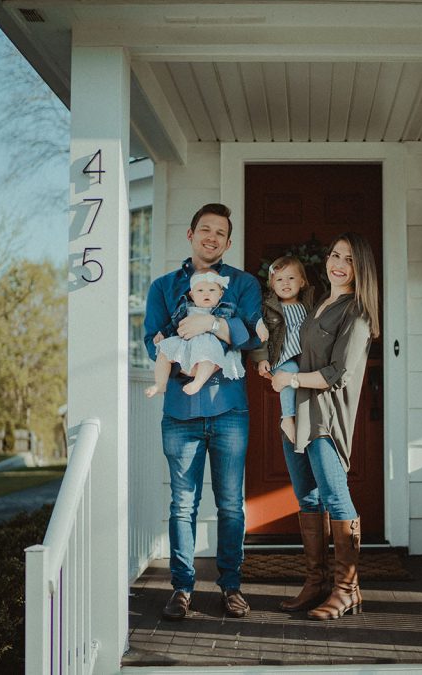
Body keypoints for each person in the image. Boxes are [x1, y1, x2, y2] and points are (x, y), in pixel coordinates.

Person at [143, 203, 263, 621]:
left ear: (228, 243)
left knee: (231, 504)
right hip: (179, 411)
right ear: (191, 234)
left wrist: (210, 326)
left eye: (220, 233)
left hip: (230, 409)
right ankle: (182, 588)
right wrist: (183, 354)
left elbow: (247, 335)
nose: (211, 237)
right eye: (205, 229)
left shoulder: (244, 284)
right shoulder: (163, 287)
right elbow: (150, 339)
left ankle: (231, 586)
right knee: (182, 504)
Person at [270, 232, 379, 621]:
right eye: (335, 255)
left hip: (325, 420)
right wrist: (286, 411)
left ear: (359, 268)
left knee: (336, 498)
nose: (338, 264)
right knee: (309, 500)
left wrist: (292, 382)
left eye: (348, 259)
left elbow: (339, 373)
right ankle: (316, 584)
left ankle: (347, 590)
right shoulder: (317, 304)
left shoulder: (357, 313)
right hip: (297, 419)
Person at [146, 268, 266, 397]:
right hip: (186, 344)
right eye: (200, 290)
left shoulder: (228, 309)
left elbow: (248, 319)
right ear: (192, 295)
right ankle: (160, 383)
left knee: (207, 356)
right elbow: (173, 325)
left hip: (210, 344)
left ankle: (198, 382)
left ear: (220, 294)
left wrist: (259, 325)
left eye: (212, 290)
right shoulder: (184, 309)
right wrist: (162, 334)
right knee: (164, 352)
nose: (206, 294)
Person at [249, 255, 315, 443]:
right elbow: (261, 335)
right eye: (279, 279)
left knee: (304, 381)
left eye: (291, 278)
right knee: (291, 372)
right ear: (272, 285)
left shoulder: (307, 306)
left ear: (302, 281)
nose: (285, 283)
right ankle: (287, 418)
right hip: (281, 356)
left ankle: (305, 422)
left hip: (302, 357)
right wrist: (261, 359)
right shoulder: (269, 309)